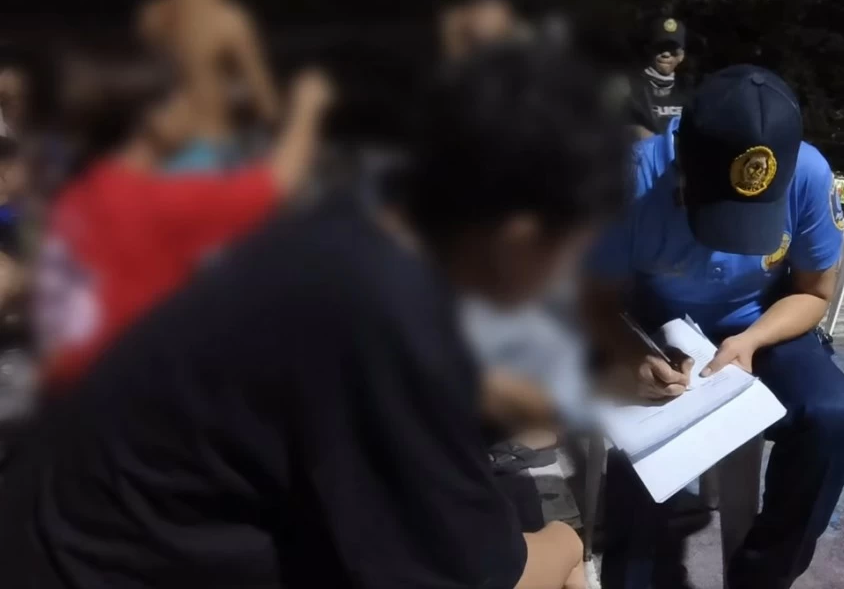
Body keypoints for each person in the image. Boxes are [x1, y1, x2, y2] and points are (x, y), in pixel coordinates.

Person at [0, 44, 626, 589]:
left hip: (64, 517)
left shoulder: (357, 228)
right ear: (517, 238)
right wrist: (572, 543)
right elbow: (475, 576)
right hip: (99, 565)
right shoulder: (387, 312)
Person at [586, 65, 844, 589]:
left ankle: (761, 576)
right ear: (680, 164)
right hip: (651, 327)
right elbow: (593, 301)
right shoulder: (627, 180)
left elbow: (812, 292)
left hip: (761, 325)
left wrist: (751, 340)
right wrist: (630, 354)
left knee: (835, 419)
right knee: (646, 447)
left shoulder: (807, 173)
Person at [34, 56, 331, 389]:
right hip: (122, 400)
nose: (198, 114)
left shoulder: (77, 194)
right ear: (154, 118)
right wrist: (308, 107)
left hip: (65, 396)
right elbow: (278, 183)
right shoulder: (156, 205)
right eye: (188, 102)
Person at [139, 0, 280, 172]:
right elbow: (265, 103)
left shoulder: (151, 16)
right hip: (214, 151)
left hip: (166, 152)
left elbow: (157, 81)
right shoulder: (229, 20)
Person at [625, 17, 690, 135]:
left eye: (673, 50)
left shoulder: (691, 88)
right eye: (660, 48)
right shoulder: (629, 88)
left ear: (681, 56)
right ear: (649, 49)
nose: (666, 54)